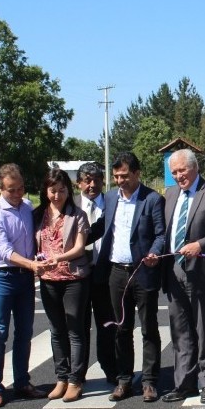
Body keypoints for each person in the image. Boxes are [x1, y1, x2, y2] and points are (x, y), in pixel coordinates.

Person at [147, 149, 205, 403]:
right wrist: (155, 254)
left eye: (182, 170)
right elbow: (164, 232)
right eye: (174, 172)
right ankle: (184, 383)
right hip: (173, 270)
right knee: (180, 330)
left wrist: (201, 245)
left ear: (195, 167)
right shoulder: (171, 194)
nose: (178, 176)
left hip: (204, 273)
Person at [94, 152, 166, 403]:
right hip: (116, 273)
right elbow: (103, 226)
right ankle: (124, 379)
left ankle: (149, 381)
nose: (120, 181)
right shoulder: (111, 197)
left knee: (148, 328)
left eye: (124, 175)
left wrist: (155, 252)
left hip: (143, 271)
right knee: (121, 329)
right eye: (115, 177)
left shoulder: (153, 199)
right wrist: (75, 240)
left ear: (137, 174)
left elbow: (160, 234)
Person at [0, 164, 49, 407]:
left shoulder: (28, 207)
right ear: (1, 189)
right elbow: (3, 250)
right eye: (12, 190)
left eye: (21, 188)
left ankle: (22, 381)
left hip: (25, 277)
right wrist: (31, 264)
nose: (18, 193)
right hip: (3, 276)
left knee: (25, 331)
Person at [34, 168, 91, 402]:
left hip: (73, 278)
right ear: (45, 191)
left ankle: (76, 380)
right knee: (56, 330)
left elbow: (79, 248)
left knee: (75, 329)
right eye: (52, 191)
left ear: (69, 190)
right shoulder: (38, 215)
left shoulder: (77, 215)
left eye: (62, 191)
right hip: (48, 281)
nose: (57, 195)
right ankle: (62, 377)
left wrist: (59, 257)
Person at [75, 162, 117, 385]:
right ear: (78, 182)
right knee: (78, 326)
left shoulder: (113, 202)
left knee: (107, 324)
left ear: (103, 180)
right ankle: (77, 373)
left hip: (105, 272)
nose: (92, 185)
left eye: (97, 180)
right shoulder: (70, 205)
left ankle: (110, 367)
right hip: (77, 274)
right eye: (87, 180)